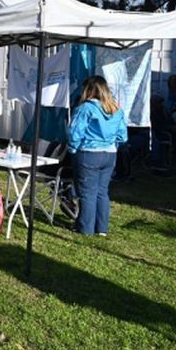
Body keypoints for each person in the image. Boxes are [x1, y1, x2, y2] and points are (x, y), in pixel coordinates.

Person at [68, 75, 128, 236]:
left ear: (88, 90)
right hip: (109, 154)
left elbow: (74, 132)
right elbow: (123, 135)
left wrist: (72, 149)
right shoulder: (116, 108)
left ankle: (85, 228)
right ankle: (101, 228)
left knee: (87, 192)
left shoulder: (85, 108)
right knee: (102, 191)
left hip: (88, 153)